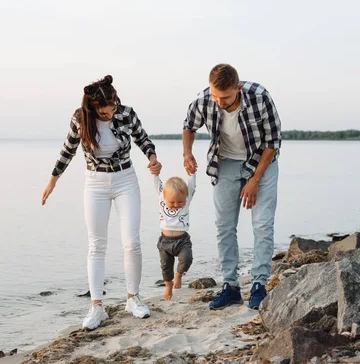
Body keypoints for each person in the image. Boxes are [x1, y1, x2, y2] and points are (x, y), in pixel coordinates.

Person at [41, 75, 162, 330]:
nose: (110, 114)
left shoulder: (126, 114)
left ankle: (133, 298)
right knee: (96, 245)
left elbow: (143, 139)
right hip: (95, 183)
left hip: (126, 179)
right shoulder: (80, 119)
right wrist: (53, 180)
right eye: (105, 112)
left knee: (132, 241)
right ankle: (97, 307)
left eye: (113, 108)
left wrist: (152, 157)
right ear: (93, 107)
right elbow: (68, 149)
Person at [182, 64, 281, 310]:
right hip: (225, 162)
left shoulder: (260, 97)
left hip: (262, 162)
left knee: (262, 224)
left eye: (224, 97)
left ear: (237, 88)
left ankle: (259, 283)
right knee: (224, 226)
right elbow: (189, 125)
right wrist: (187, 153)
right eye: (215, 96)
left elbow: (273, 142)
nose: (219, 102)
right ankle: (231, 286)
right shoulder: (205, 99)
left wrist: (254, 180)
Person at [153, 173, 196, 300]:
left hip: (182, 240)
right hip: (165, 242)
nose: (176, 205)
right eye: (172, 202)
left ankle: (178, 275)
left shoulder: (187, 200)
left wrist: (192, 173)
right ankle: (168, 285)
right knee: (165, 267)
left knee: (187, 259)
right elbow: (157, 184)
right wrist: (155, 174)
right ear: (165, 197)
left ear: (186, 198)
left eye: (180, 201)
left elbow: (192, 186)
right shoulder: (162, 198)